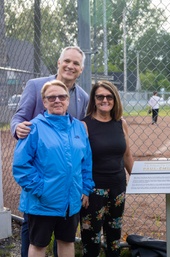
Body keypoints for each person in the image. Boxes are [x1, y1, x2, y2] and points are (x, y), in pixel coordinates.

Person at [10, 45, 89, 257]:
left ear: (81, 69)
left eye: (76, 63)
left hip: (67, 187)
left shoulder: (82, 96)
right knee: (35, 235)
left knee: (65, 239)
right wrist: (18, 128)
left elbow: (81, 142)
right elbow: (19, 117)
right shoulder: (36, 86)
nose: (70, 66)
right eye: (67, 61)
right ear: (59, 63)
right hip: (41, 180)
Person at [80, 80, 134, 257]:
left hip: (118, 187)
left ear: (115, 99)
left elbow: (126, 155)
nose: (105, 100)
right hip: (94, 189)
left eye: (109, 96)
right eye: (100, 96)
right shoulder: (84, 125)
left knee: (114, 237)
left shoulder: (121, 123)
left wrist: (137, 179)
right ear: (94, 99)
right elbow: (79, 161)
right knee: (91, 238)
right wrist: (83, 189)